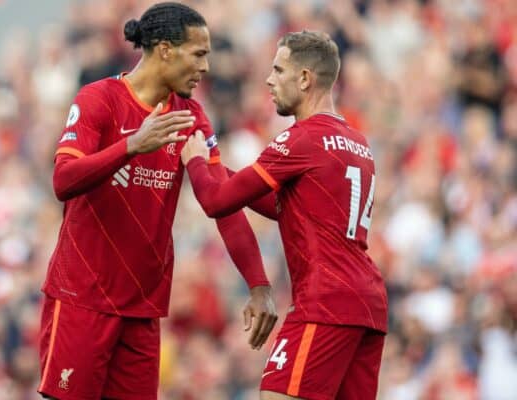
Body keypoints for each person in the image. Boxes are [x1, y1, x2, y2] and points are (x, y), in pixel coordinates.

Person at [37, 3, 277, 399]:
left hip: (143, 306)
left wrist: (259, 284)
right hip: (84, 297)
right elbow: (63, 180)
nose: (206, 67)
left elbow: (221, 199)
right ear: (165, 49)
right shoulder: (100, 98)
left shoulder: (191, 117)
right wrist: (131, 146)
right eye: (199, 54)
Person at [181, 31, 388, 400]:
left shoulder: (300, 140)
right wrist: (217, 167)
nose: (268, 80)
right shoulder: (358, 142)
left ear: (305, 78)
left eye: (278, 70)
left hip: (325, 302)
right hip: (368, 306)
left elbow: (216, 202)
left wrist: (195, 161)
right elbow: (288, 209)